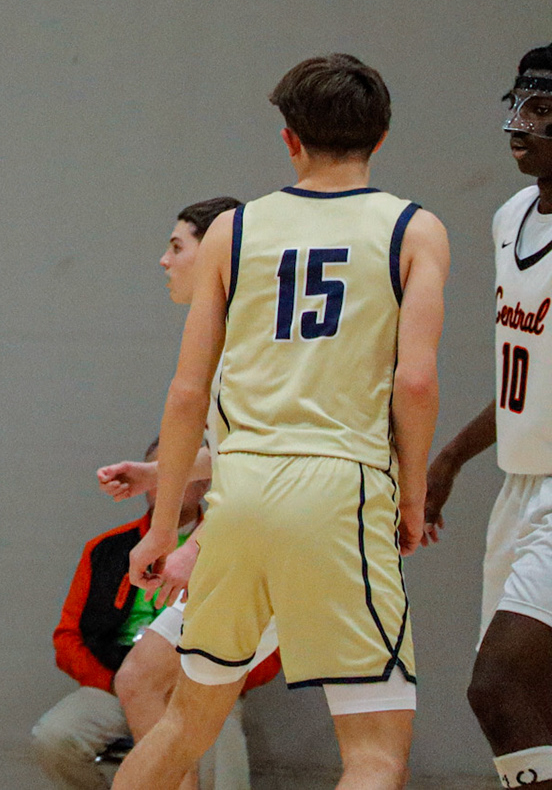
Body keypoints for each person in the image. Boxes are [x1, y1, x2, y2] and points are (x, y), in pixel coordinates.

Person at [115, 55, 450, 790]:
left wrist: (163, 528)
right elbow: (416, 381)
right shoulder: (414, 229)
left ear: (289, 139)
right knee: (373, 753)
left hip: (238, 495)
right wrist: (414, 496)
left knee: (182, 723)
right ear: (382, 137)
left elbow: (187, 392)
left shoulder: (234, 231)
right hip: (341, 490)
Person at [88, 197, 282, 790]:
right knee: (145, 682)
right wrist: (155, 475)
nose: (164, 260)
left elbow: (269, 461)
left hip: (276, 535)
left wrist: (194, 544)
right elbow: (239, 450)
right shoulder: (231, 331)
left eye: (177, 247)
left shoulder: (254, 339)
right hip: (263, 528)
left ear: (219, 249)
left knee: (372, 735)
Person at [424, 43, 552, 788]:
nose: (519, 125)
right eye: (518, 105)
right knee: (531, 700)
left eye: (542, 110)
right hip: (520, 486)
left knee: (497, 686)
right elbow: (523, 377)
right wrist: (450, 458)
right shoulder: (511, 217)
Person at [37, 438, 226, 790]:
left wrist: (222, 681)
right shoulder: (106, 549)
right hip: (116, 680)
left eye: (177, 473)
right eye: (157, 473)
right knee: (54, 736)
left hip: (201, 685)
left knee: (223, 754)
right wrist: (114, 681)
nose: (165, 485)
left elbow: (263, 642)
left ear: (206, 482)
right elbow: (67, 638)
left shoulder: (229, 547)